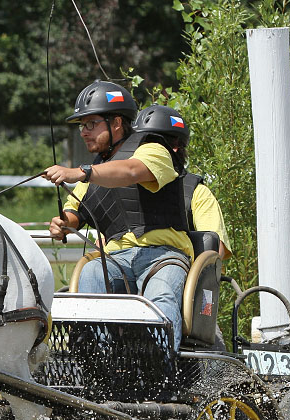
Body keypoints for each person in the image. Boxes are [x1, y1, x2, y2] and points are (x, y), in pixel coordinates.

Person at [43, 80, 218, 350]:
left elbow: (132, 171)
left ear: (116, 123)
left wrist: (81, 171)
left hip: (162, 254)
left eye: (91, 124)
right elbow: (74, 212)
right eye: (81, 126)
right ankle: (99, 363)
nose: (84, 132)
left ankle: (160, 366)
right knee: (90, 276)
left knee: (159, 293)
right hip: (114, 258)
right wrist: (63, 224)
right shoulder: (95, 169)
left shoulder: (151, 147)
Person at [131, 103, 231, 259]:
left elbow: (215, 250)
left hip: (176, 270)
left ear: (175, 146)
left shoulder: (196, 192)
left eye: (148, 143)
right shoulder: (126, 188)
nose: (141, 150)